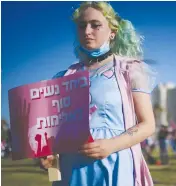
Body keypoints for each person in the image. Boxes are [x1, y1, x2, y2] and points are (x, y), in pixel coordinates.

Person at [39, 2, 156, 186]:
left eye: (95, 24)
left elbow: (148, 125)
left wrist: (111, 145)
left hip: (115, 167)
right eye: (82, 25)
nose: (87, 31)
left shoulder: (130, 69)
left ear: (113, 32)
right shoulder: (63, 77)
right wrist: (49, 158)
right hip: (73, 172)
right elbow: (54, 134)